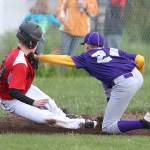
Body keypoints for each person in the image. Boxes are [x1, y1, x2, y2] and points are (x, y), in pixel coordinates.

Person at [37, 31, 150, 134]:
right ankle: (116, 118)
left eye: (84, 45)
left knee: (108, 127)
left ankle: (145, 123)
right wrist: (137, 75)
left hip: (124, 84)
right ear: (102, 45)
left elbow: (64, 59)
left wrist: (40, 57)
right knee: (107, 85)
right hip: (137, 75)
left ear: (87, 45)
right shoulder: (111, 50)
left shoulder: (87, 57)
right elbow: (140, 59)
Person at [0, 22, 97, 130]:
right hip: (11, 100)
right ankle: (79, 124)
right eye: (37, 41)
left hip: (21, 87)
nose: (38, 44)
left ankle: (64, 117)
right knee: (46, 118)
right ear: (31, 43)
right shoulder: (20, 62)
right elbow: (13, 91)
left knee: (48, 102)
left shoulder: (17, 53)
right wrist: (33, 102)